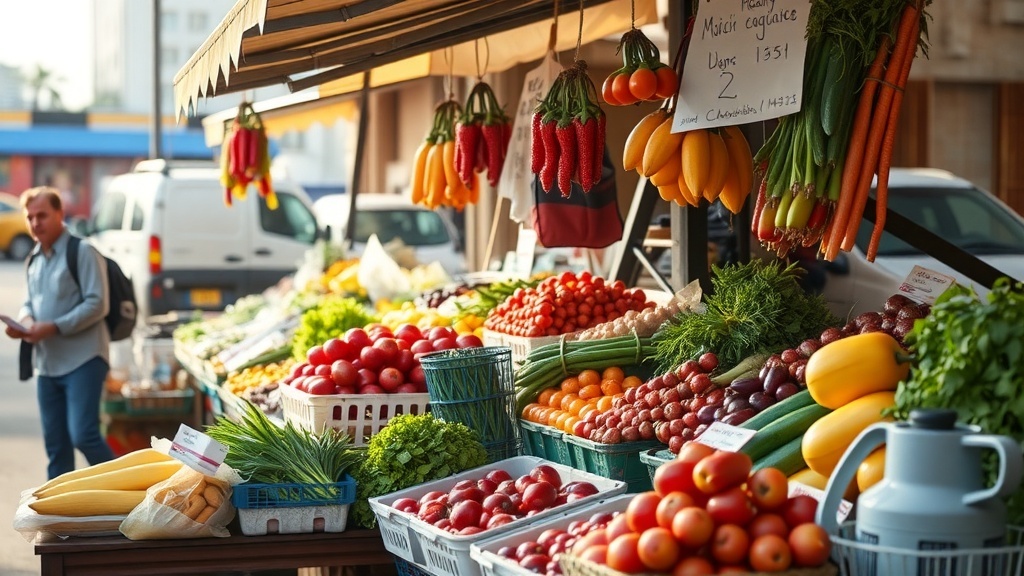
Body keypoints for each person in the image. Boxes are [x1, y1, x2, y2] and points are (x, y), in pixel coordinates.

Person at [6, 186, 115, 479]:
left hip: (84, 360)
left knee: (84, 435)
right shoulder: (34, 259)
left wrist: (54, 327)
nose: (35, 223)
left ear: (59, 214)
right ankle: (59, 517)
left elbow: (98, 303)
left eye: (42, 215)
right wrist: (24, 321)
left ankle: (131, 497)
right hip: (47, 365)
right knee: (56, 447)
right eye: (30, 217)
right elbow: (30, 301)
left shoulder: (83, 251)